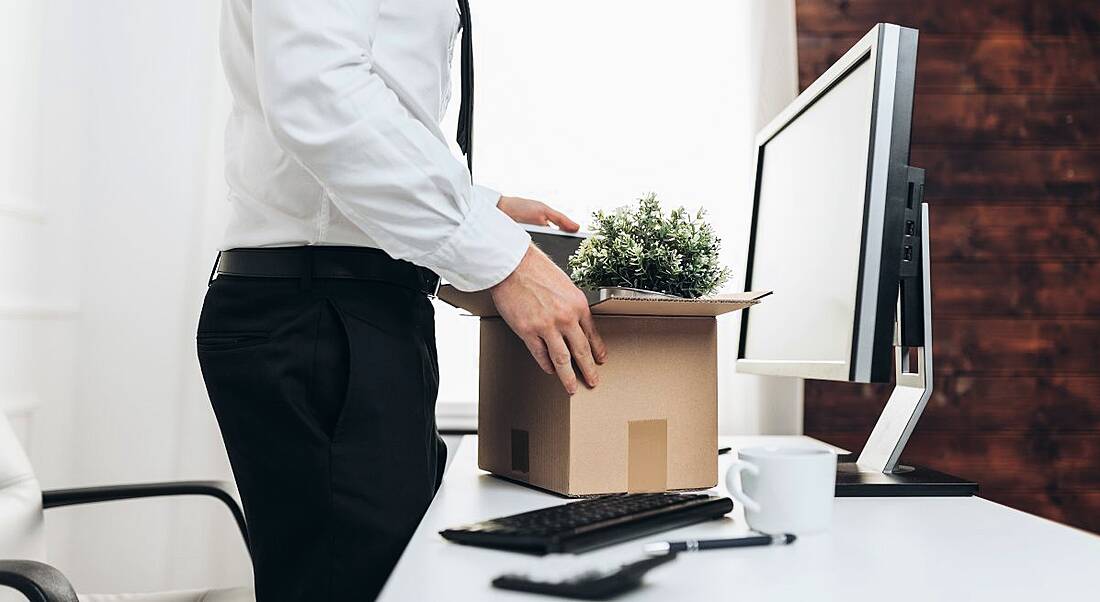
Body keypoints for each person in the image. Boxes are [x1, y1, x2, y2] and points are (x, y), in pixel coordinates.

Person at [198, 0, 606, 600]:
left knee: (388, 576)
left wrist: (474, 204)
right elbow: (320, 91)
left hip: (352, 302)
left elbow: (378, 93)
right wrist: (502, 258)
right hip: (322, 312)